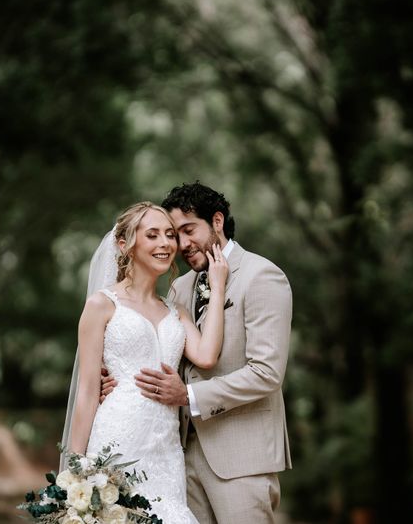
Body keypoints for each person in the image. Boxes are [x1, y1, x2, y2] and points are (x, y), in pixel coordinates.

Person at [102, 183, 293, 524]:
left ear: (217, 221)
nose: (182, 244)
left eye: (189, 230)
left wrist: (188, 395)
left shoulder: (262, 276)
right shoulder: (181, 286)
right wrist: (119, 382)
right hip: (179, 459)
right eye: (176, 235)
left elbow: (266, 372)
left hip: (240, 462)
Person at [60, 201, 229, 524]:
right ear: (125, 244)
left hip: (166, 450)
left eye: (169, 235)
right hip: (117, 439)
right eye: (152, 235)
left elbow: (207, 356)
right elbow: (86, 392)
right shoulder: (101, 305)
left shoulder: (174, 310)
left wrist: (218, 288)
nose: (165, 244)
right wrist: (74, 471)